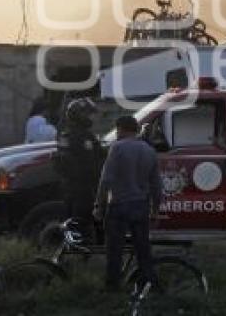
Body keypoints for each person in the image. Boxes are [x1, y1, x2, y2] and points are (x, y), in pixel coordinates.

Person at [94, 115, 161, 290]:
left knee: (114, 252)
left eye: (117, 130)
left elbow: (106, 180)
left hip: (119, 206)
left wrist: (99, 207)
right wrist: (155, 210)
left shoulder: (117, 148)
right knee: (143, 251)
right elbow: (156, 185)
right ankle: (149, 286)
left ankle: (112, 289)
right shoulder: (149, 150)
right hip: (141, 206)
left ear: (121, 129)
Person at [54, 97, 103, 241]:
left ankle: (75, 251)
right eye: (87, 114)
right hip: (84, 187)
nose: (89, 118)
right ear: (78, 115)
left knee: (73, 221)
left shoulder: (66, 135)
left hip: (70, 187)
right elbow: (93, 162)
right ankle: (84, 253)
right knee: (83, 222)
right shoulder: (82, 136)